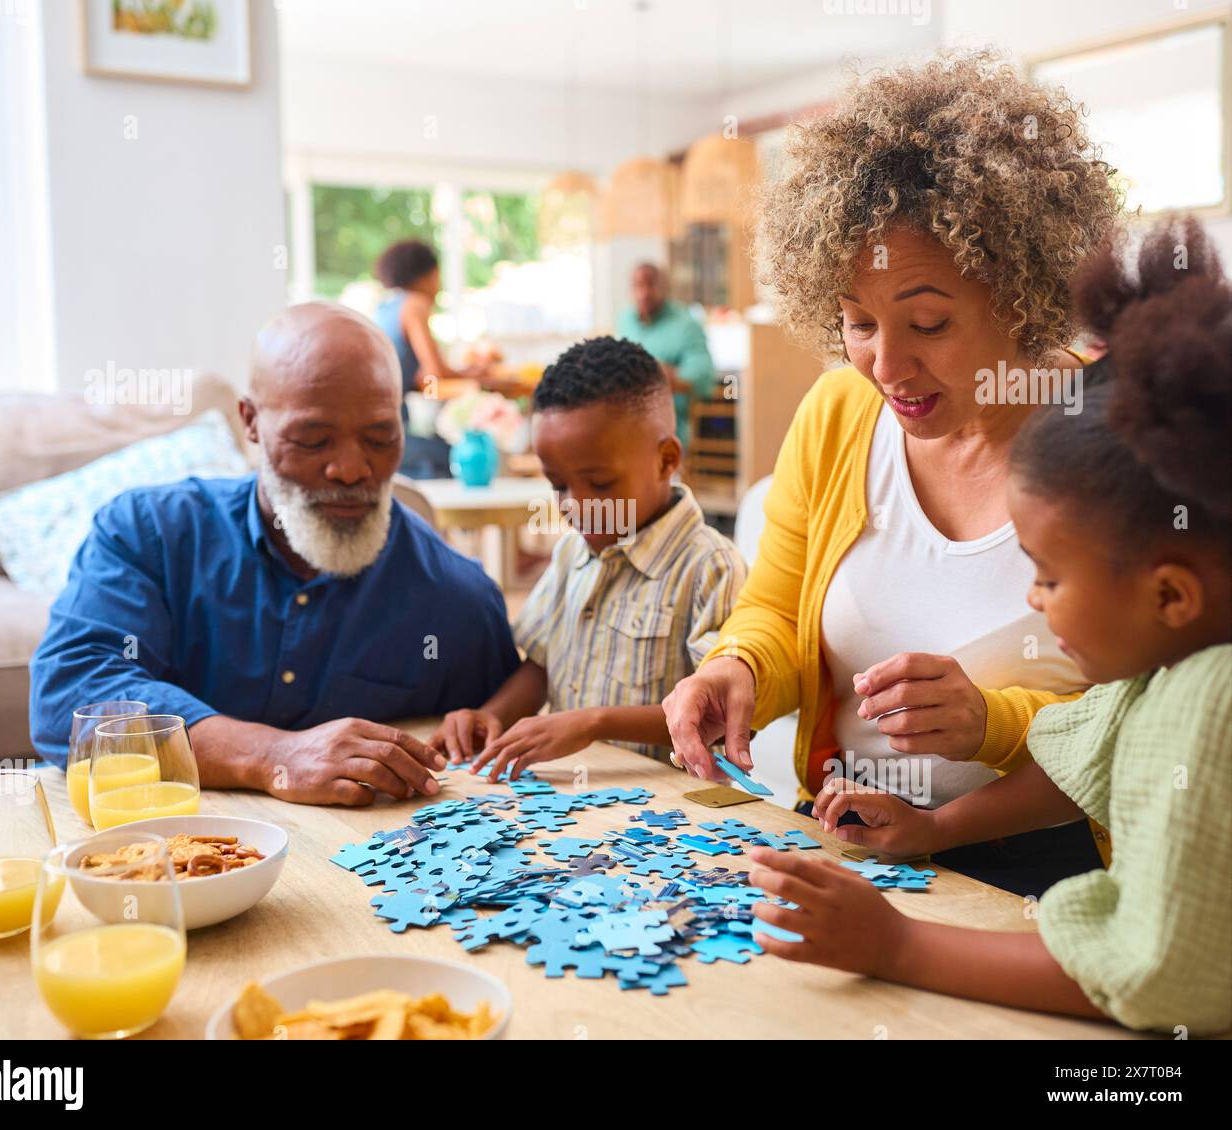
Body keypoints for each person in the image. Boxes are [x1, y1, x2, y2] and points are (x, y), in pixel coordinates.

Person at [748, 218, 1232, 1036]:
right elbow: (1080, 761)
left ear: (1173, 594)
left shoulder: (1207, 711)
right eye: (857, 324)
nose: (1034, 600)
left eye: (1045, 575)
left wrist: (899, 946)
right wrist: (934, 826)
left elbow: (1156, 982)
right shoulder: (1168, 668)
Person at [661, 50, 1122, 897]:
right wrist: (740, 671)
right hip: (842, 843)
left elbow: (1134, 723)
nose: (886, 365)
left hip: (1044, 879)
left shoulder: (1115, 436)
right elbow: (774, 607)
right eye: (856, 322)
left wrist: (988, 724)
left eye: (929, 322)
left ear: (1025, 291)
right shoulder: (839, 415)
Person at [29, 302, 519, 806]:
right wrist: (270, 755)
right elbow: (69, 697)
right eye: (313, 439)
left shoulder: (456, 599)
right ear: (251, 421)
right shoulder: (146, 534)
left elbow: (504, 740)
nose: (351, 470)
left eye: (379, 437)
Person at [432, 337, 745, 777]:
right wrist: (491, 714)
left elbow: (719, 710)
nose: (574, 505)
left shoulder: (711, 567)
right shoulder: (571, 553)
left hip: (670, 815)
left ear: (667, 459)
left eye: (599, 483)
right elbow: (541, 663)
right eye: (558, 484)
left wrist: (594, 722)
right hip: (576, 802)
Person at [373, 239, 487, 479]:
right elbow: (434, 373)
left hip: (376, 429)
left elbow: (426, 373)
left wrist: (467, 372)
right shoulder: (415, 304)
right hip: (391, 435)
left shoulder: (385, 307)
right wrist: (475, 379)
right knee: (460, 455)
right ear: (428, 275)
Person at [616, 263, 717, 448]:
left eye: (651, 285)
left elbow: (704, 377)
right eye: (638, 286)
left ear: (664, 288)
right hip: (625, 417)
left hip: (667, 424)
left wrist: (657, 375)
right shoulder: (626, 319)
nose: (644, 293)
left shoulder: (686, 324)